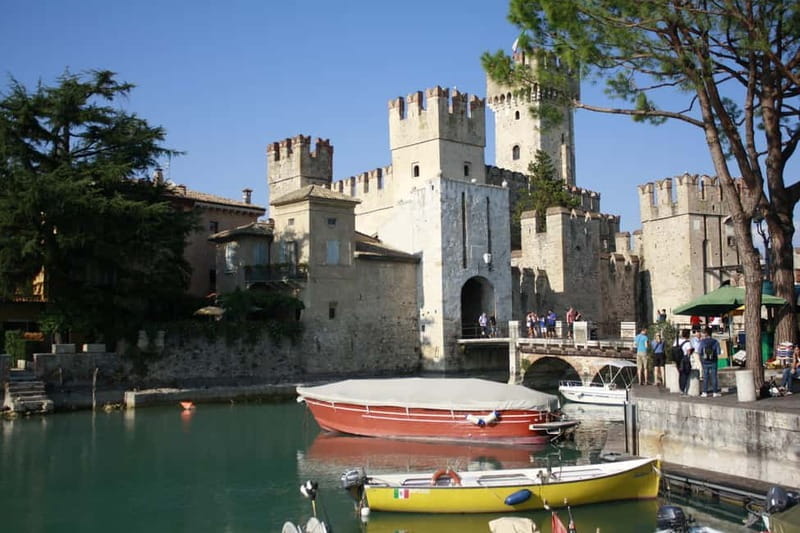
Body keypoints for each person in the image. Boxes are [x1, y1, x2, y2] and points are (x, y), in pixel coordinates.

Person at [697, 327, 721, 397]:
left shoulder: (702, 342)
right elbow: (718, 352)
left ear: (706, 333)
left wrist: (701, 359)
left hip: (705, 361)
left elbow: (699, 351)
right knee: (714, 376)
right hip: (713, 361)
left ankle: (704, 392)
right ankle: (715, 392)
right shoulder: (715, 341)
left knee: (705, 376)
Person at [674, 329, 694, 395]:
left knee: (680, 374)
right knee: (685, 374)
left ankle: (681, 388)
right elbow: (688, 352)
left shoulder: (677, 341)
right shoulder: (687, 342)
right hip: (685, 359)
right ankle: (683, 390)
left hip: (677, 360)